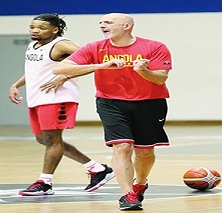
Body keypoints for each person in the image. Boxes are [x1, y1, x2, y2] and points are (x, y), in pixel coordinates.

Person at [52, 13, 172, 210]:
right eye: (100, 22)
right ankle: (128, 195)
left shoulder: (155, 47)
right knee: (122, 146)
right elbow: (60, 69)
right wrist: (101, 65)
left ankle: (140, 183)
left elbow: (160, 78)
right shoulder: (94, 48)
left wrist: (143, 71)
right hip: (111, 103)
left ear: (127, 26)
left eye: (108, 22)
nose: (102, 25)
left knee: (144, 152)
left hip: (150, 103)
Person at [8, 13, 114, 196]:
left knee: (52, 140)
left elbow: (91, 58)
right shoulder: (33, 45)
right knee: (42, 139)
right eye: (32, 27)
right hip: (37, 97)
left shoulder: (62, 44)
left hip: (57, 97)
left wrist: (64, 76)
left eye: (41, 28)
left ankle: (45, 182)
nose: (35, 30)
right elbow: (34, 72)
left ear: (54, 30)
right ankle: (97, 169)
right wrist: (16, 85)